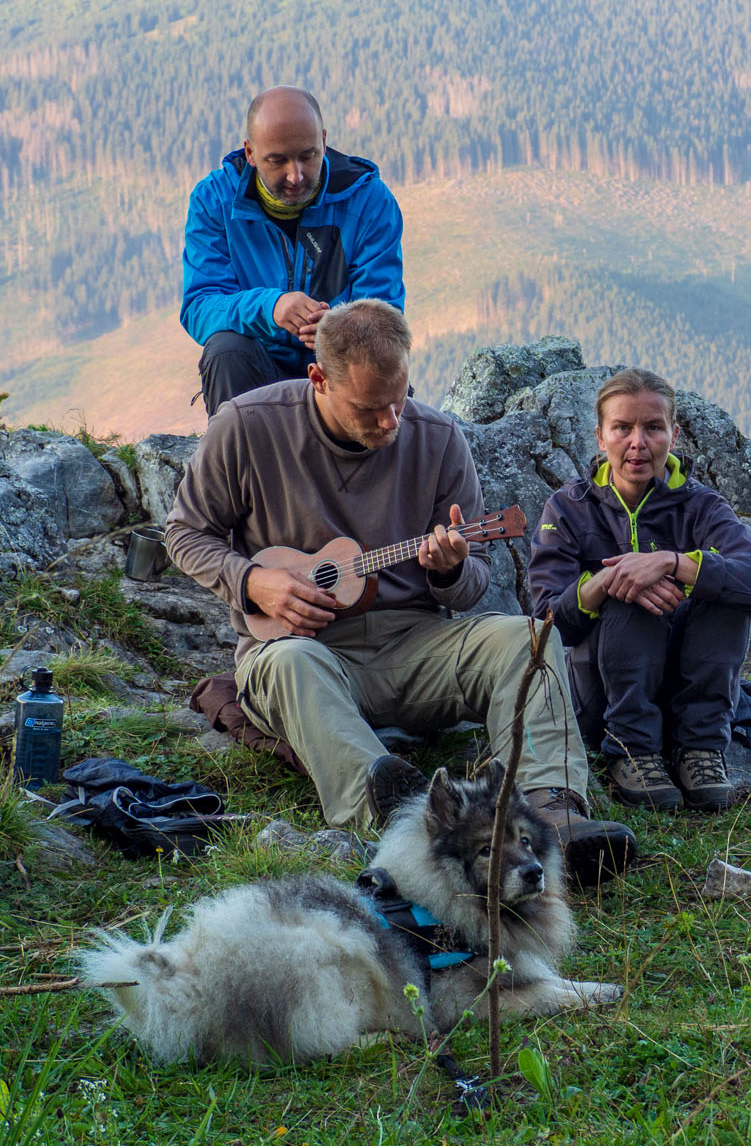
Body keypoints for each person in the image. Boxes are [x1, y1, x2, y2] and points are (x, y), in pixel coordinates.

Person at [163, 299, 636, 886]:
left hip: (415, 643)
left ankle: (550, 812)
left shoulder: (438, 439)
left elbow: (473, 585)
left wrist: (449, 572)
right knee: (290, 660)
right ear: (318, 378)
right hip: (303, 654)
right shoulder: (247, 426)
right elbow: (185, 533)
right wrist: (252, 580)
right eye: (369, 407)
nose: (391, 421)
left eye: (400, 399)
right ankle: (402, 820)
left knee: (530, 636)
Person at [527, 368, 751, 813]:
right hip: (602, 699)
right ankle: (632, 752)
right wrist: (610, 581)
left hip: (686, 694)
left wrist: (674, 562)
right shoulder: (569, 509)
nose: (637, 443)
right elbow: (547, 621)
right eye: (622, 428)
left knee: (724, 593)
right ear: (600, 437)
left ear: (674, 434)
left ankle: (700, 751)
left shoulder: (701, 505)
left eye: (653, 427)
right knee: (627, 599)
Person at [180, 86, 405, 416]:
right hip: (257, 374)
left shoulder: (369, 200)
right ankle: (237, 462)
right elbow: (199, 306)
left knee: (376, 358)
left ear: (324, 142)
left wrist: (342, 330)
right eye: (277, 160)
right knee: (225, 350)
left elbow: (387, 314)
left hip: (342, 375)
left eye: (308, 156)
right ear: (250, 153)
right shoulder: (214, 201)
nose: (295, 175)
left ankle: (365, 463)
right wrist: (271, 308)